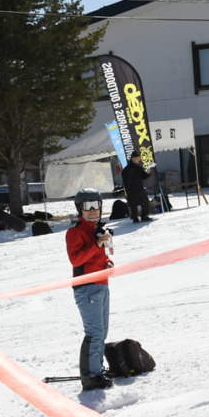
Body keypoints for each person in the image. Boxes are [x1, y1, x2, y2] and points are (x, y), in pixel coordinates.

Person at [66, 188, 114, 391]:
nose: (93, 210)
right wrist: (96, 244)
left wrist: (108, 263)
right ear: (80, 209)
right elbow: (76, 259)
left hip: (102, 285)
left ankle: (97, 370)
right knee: (94, 332)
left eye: (96, 205)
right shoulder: (75, 232)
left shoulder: (99, 230)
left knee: (102, 332)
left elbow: (101, 256)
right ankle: (90, 376)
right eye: (88, 206)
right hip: (87, 288)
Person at [121, 149, 154, 224]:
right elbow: (125, 181)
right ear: (133, 158)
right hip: (132, 189)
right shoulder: (126, 170)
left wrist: (148, 173)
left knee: (145, 201)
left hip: (140, 188)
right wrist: (127, 191)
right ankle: (135, 218)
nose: (139, 160)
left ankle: (144, 216)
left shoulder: (138, 168)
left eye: (139, 158)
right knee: (133, 204)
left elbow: (143, 176)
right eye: (137, 158)